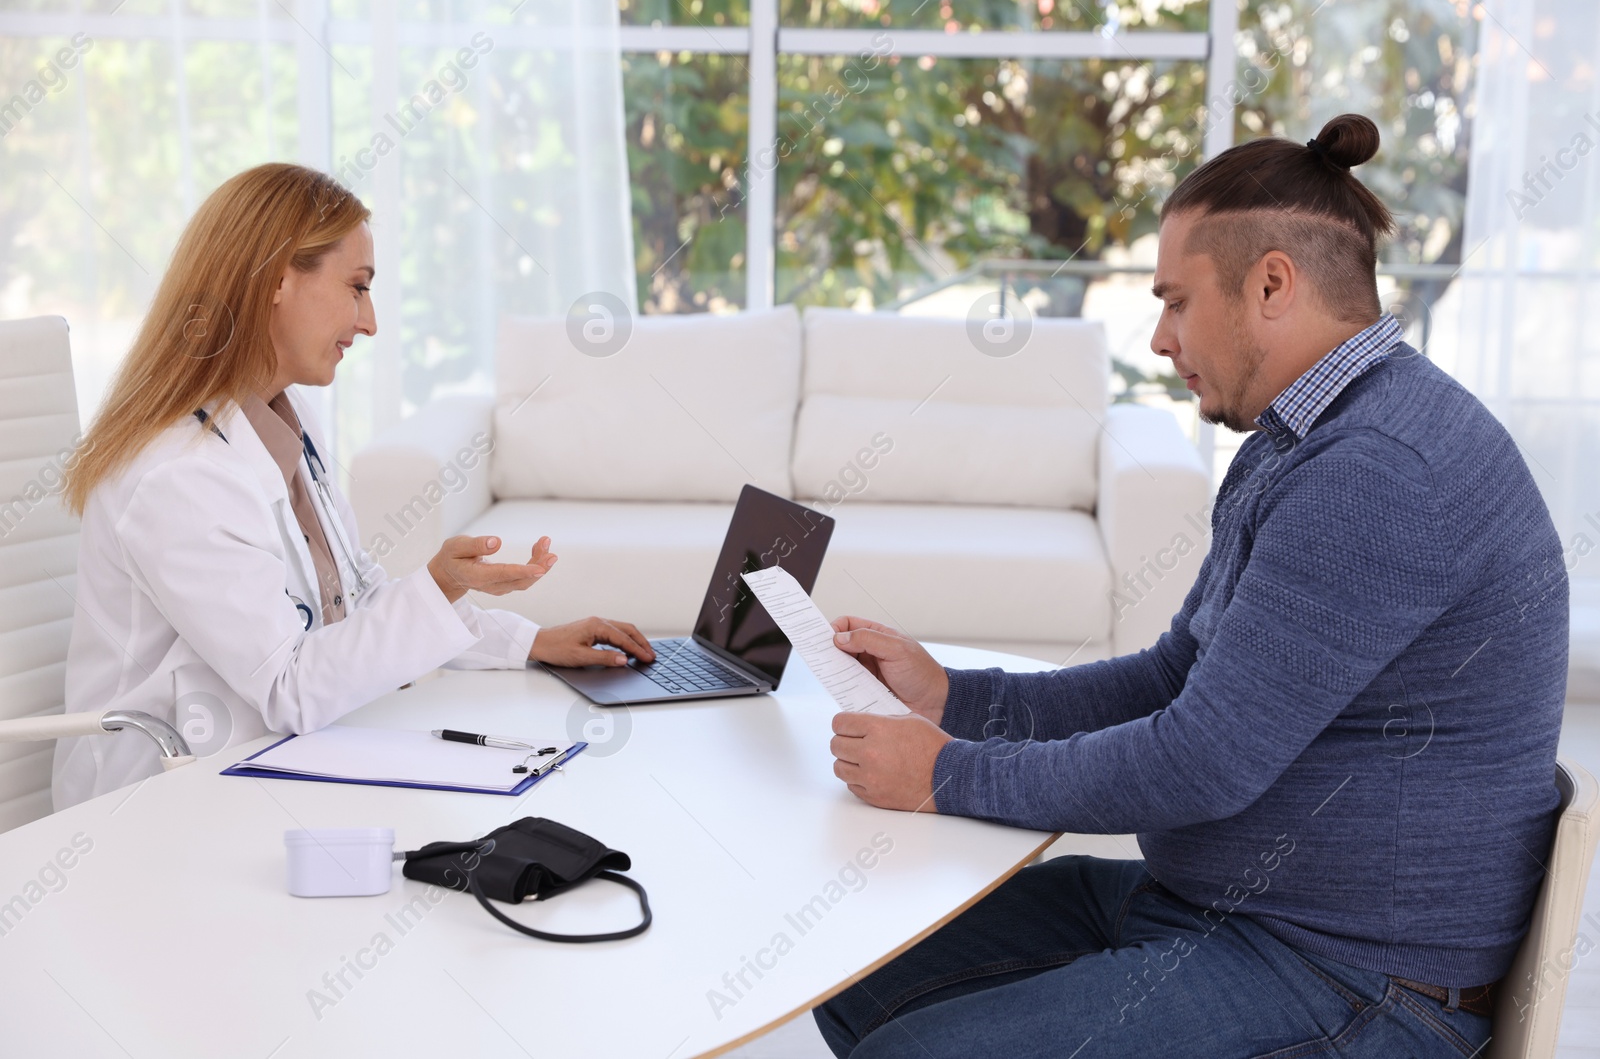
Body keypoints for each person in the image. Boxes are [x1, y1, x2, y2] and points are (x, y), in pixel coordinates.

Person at [815, 114, 1568, 1057]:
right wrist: (959, 700)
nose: (1163, 338)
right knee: (855, 975)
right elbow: (1179, 671)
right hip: (1222, 911)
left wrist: (944, 773)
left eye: (1175, 301)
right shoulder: (1299, 438)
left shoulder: (1373, 471)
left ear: (1271, 283)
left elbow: (1200, 760)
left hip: (1352, 976)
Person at [54, 163, 654, 809]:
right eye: (357, 288)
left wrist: (530, 641)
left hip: (266, 758)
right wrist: (440, 585)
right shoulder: (178, 474)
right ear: (279, 278)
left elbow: (358, 596)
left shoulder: (281, 417)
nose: (369, 322)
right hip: (150, 808)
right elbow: (289, 685)